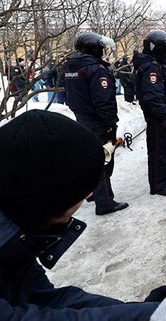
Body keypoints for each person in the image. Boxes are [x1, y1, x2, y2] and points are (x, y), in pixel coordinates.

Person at [0, 110, 161, 319]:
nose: (90, 194)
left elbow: (46, 298)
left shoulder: (4, 207)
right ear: (45, 205)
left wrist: (147, 311)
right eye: (82, 192)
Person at [64, 32, 129, 215]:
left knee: (92, 158)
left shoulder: (71, 65)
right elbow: (104, 100)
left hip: (82, 117)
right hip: (97, 120)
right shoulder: (95, 68)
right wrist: (109, 123)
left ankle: (93, 193)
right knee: (103, 159)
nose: (102, 51)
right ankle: (105, 202)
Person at [134, 30, 166, 197]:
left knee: (163, 149)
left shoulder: (155, 64)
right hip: (157, 117)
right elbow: (153, 96)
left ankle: (165, 180)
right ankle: (158, 185)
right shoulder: (151, 67)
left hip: (160, 115)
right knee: (158, 151)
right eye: (165, 47)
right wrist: (165, 114)